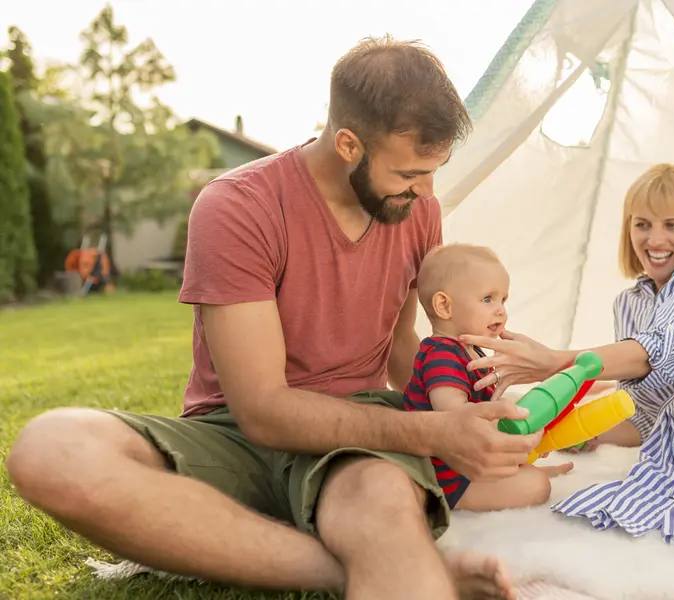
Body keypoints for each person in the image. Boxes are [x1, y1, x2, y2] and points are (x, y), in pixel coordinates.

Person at [5, 36, 544, 600]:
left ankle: (373, 557)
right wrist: (429, 431)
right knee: (53, 448)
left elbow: (402, 344)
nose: (426, 191)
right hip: (234, 434)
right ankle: (342, 569)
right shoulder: (239, 206)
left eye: (433, 172)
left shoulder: (415, 209)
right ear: (347, 144)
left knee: (379, 498)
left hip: (357, 443)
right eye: (410, 173)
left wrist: (466, 419)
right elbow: (262, 409)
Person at [460, 163, 674, 577]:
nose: (655, 240)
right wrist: (574, 430)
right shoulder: (630, 305)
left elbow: (659, 351)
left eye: (672, 225)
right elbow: (646, 412)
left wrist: (558, 361)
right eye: (643, 224)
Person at [403, 243, 573, 511]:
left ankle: (513, 475)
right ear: (444, 306)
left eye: (503, 300)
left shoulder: (470, 350)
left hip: (465, 463)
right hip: (445, 476)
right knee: (538, 486)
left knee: (527, 470)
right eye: (487, 299)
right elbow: (455, 417)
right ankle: (437, 501)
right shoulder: (441, 355)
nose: (501, 310)